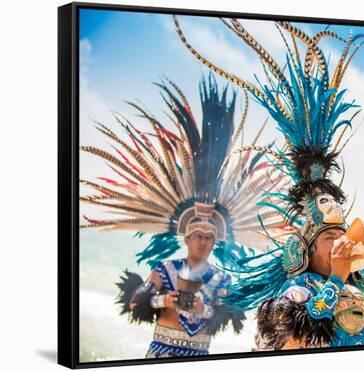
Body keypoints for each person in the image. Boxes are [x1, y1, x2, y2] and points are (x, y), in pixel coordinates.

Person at [170, 16, 364, 349]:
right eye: (330, 236)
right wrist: (336, 277)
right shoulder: (296, 292)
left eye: (342, 234)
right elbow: (297, 340)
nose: (340, 241)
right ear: (305, 250)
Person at [80, 75, 287, 357]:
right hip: (161, 352)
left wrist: (206, 309)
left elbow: (232, 314)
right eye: (199, 236)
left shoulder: (221, 279)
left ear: (217, 240)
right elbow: (135, 302)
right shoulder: (164, 270)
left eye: (209, 237)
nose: (204, 241)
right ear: (187, 236)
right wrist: (165, 299)